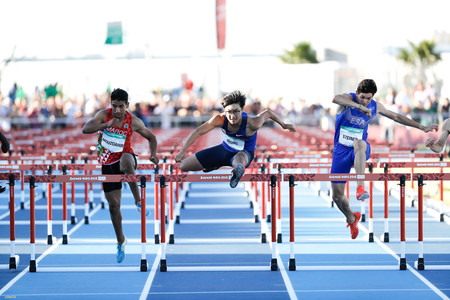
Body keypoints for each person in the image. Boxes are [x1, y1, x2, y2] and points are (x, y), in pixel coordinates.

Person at [331, 79, 438, 239]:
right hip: (341, 150)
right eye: (362, 97)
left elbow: (396, 116)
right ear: (357, 93)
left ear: (373, 97)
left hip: (360, 150)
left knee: (359, 143)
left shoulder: (376, 106)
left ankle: (360, 187)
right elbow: (335, 99)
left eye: (368, 98)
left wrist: (421, 127)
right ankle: (352, 218)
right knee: (337, 196)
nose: (366, 101)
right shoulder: (349, 99)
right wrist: (359, 106)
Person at [82, 88, 159, 263]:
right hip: (107, 163)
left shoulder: (134, 121)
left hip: (126, 158)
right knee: (114, 207)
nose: (117, 110)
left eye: (121, 107)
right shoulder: (104, 115)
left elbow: (152, 137)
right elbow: (85, 129)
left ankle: (138, 200)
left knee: (125, 160)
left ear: (127, 106)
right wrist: (104, 126)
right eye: (114, 106)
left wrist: (153, 154)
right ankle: (121, 241)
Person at [174, 90, 295, 188]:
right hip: (223, 150)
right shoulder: (220, 119)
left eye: (236, 112)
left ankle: (236, 172)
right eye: (229, 112)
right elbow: (198, 131)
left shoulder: (253, 123)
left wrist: (283, 125)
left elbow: (268, 113)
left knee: (239, 160)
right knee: (183, 166)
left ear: (242, 110)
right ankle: (217, 164)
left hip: (244, 153)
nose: (232, 116)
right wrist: (183, 151)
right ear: (224, 111)